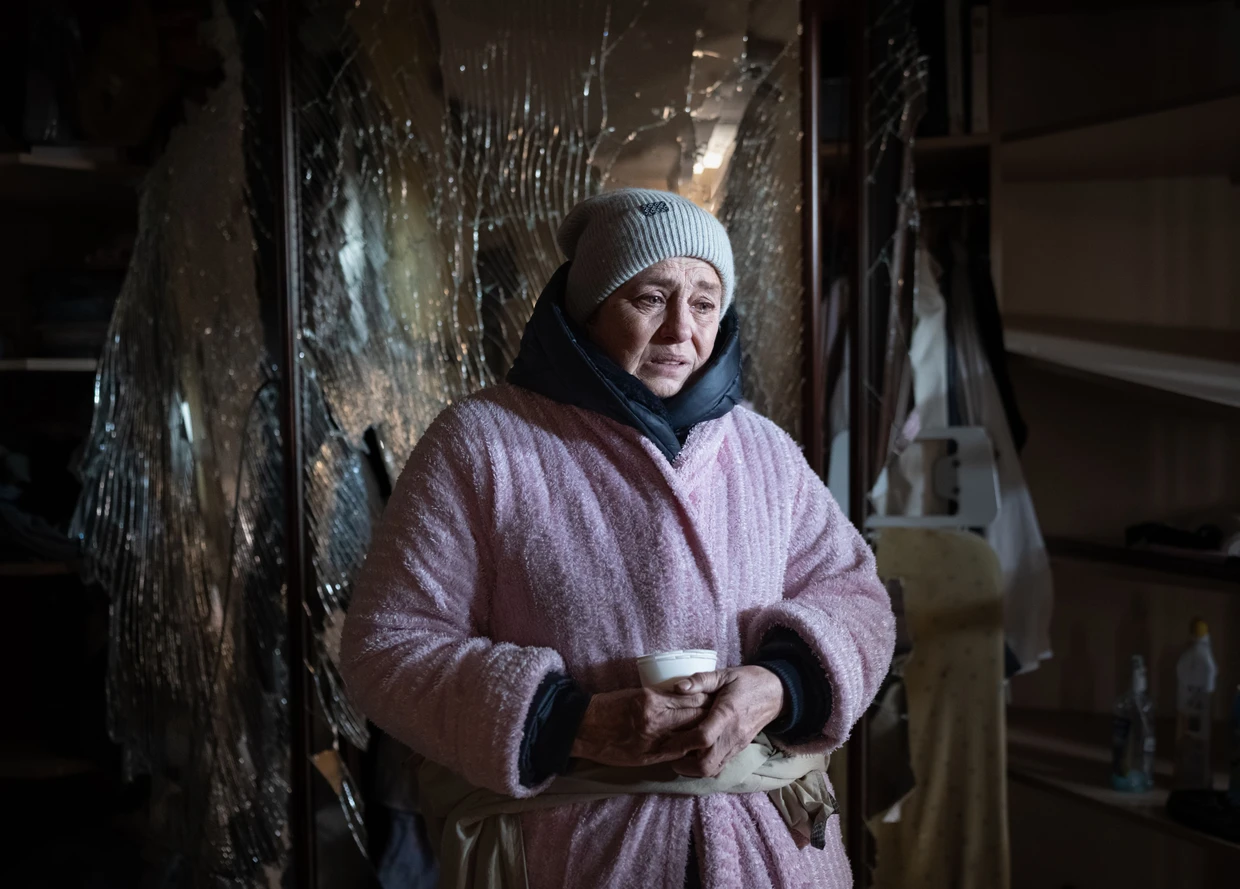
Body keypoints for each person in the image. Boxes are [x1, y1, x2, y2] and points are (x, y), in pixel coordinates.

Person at [340, 188, 895, 888]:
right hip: (570, 854)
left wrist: (776, 685)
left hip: (770, 850)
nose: (679, 332)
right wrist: (565, 719)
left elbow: (859, 600)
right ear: (589, 305)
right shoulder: (482, 444)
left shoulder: (764, 452)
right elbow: (385, 644)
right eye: (648, 298)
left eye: (702, 302)